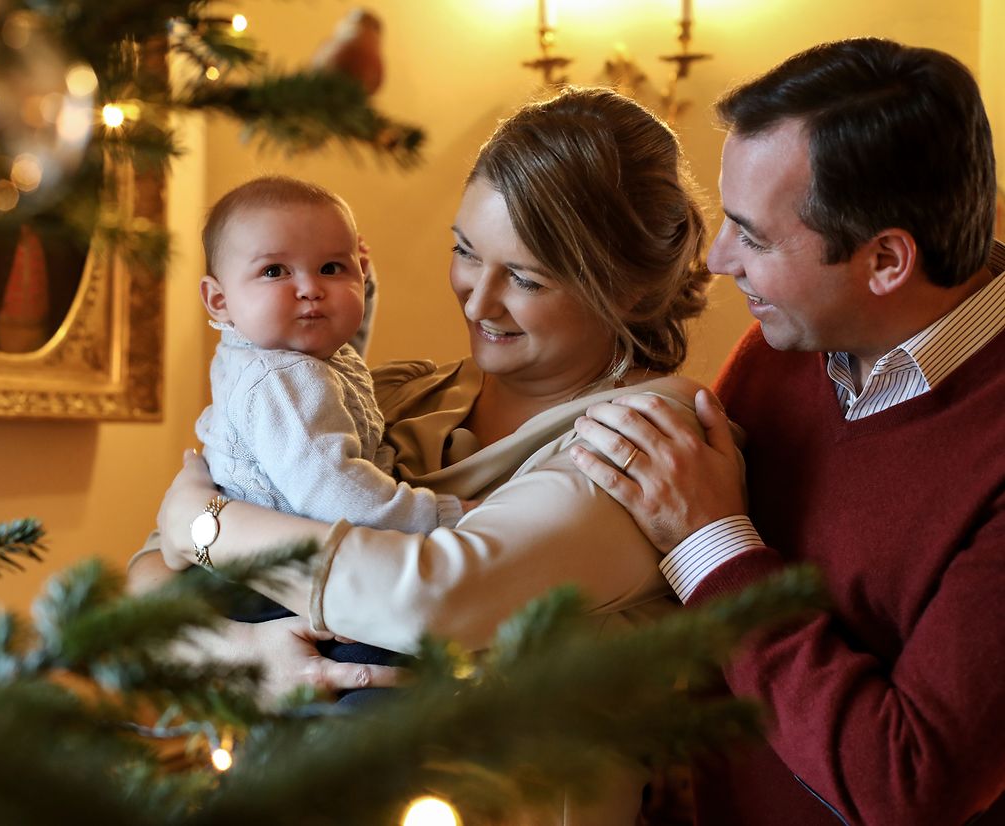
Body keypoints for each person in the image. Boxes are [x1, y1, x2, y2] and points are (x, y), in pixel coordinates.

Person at [130, 86, 712, 823]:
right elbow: (145, 580)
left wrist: (204, 524)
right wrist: (242, 654)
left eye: (526, 278)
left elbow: (428, 598)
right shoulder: (396, 391)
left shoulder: (644, 441)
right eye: (466, 252)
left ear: (626, 293)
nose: (476, 301)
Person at [571, 38, 1005, 825]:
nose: (720, 257)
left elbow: (911, 786)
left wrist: (713, 541)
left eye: (755, 236)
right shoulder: (791, 344)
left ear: (886, 261)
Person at [193, 174, 463, 535]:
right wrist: (442, 515)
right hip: (274, 578)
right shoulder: (279, 379)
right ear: (219, 300)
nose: (310, 289)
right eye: (274, 271)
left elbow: (340, 362)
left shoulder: (270, 348)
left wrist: (364, 288)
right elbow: (339, 495)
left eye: (331, 268)